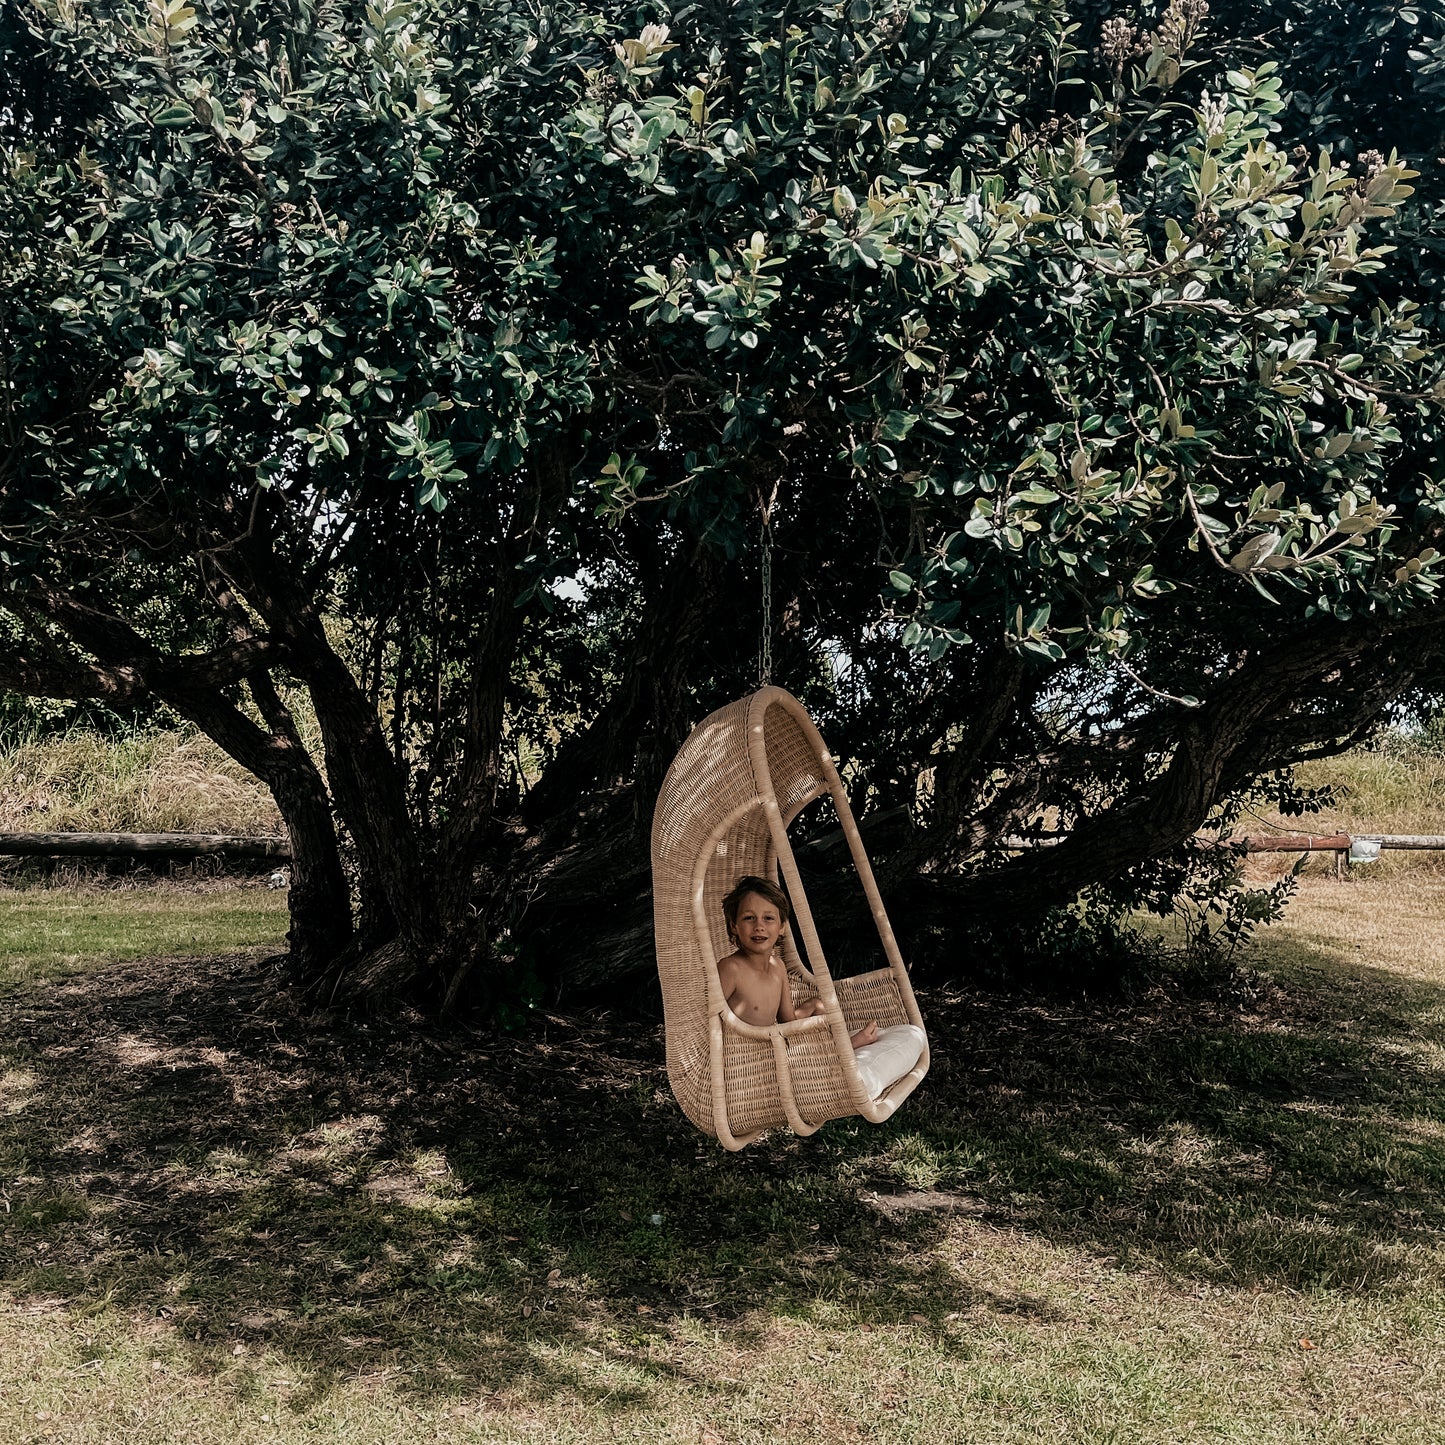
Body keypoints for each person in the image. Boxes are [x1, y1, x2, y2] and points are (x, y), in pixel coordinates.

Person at [716, 875, 879, 1048]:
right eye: (749, 918)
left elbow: (788, 1022)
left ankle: (836, 1045)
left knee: (818, 1004)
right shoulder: (730, 968)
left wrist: (812, 1016)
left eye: (768, 918)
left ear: (781, 927)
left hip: (774, 1042)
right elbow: (707, 1020)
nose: (759, 926)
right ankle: (845, 1046)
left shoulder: (777, 966)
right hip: (749, 1056)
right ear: (734, 926)